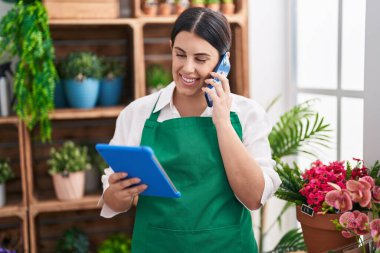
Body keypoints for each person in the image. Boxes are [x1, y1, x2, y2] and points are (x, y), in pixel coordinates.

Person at [100, 7, 281, 253]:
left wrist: (223, 123)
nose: (187, 68)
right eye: (180, 54)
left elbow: (253, 197)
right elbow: (113, 201)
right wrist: (118, 195)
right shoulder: (137, 114)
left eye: (201, 59)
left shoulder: (248, 114)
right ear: (171, 47)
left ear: (223, 60)